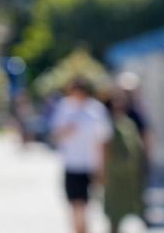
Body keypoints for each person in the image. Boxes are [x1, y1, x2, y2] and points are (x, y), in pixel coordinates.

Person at [51, 77, 111, 233]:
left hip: (89, 165)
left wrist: (102, 167)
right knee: (75, 206)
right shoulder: (64, 107)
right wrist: (66, 130)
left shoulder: (95, 110)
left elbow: (103, 140)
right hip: (71, 164)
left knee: (84, 206)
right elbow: (55, 134)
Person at [101, 88, 146, 233]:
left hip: (129, 174)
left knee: (131, 208)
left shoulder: (130, 123)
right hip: (113, 174)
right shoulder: (106, 123)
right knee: (114, 212)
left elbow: (138, 145)